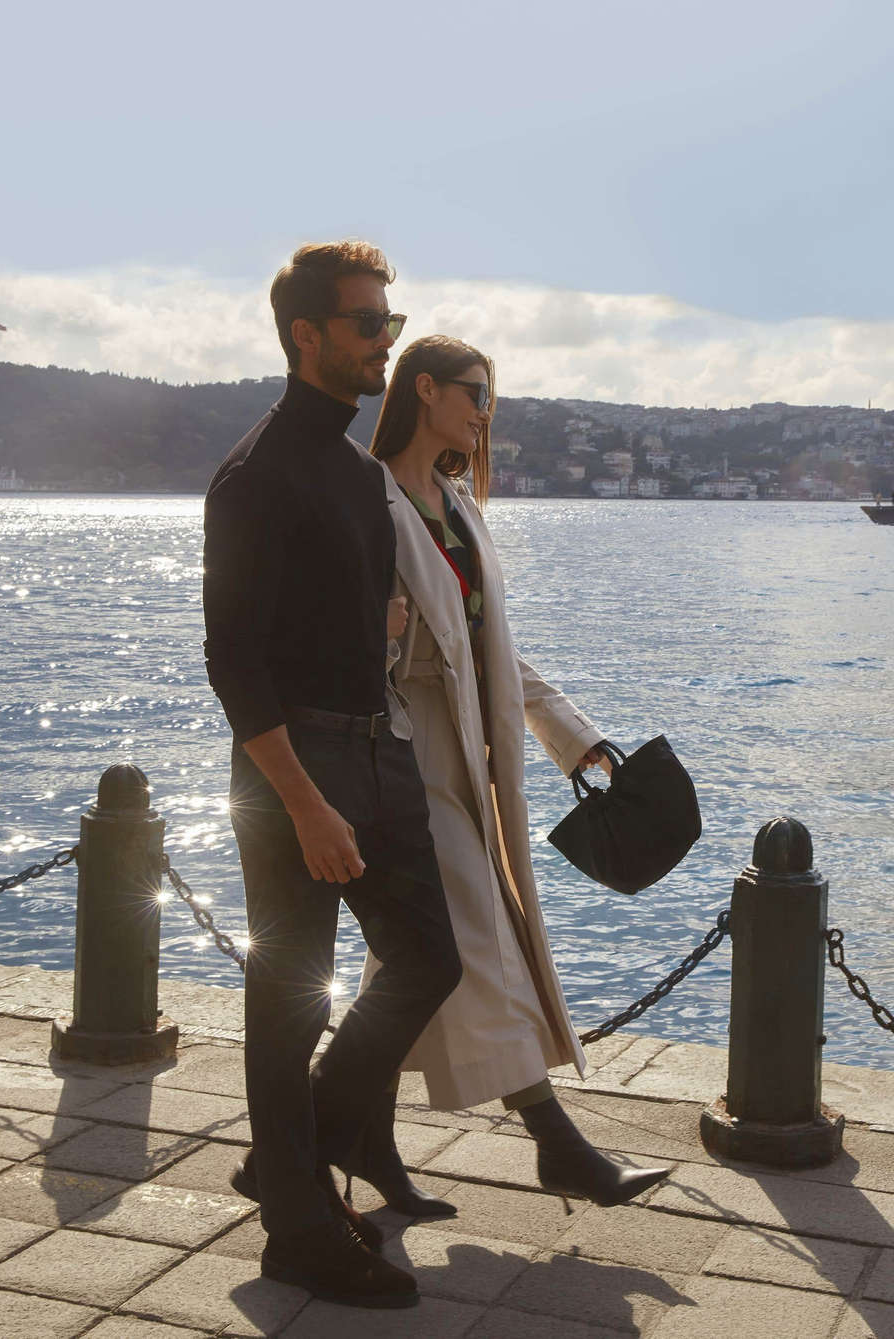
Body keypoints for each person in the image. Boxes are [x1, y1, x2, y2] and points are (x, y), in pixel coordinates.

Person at [350, 334, 670, 1214]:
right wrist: (385, 634)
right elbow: (347, 651)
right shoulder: (370, 503)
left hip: (470, 766)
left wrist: (577, 738)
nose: (486, 413)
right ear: (426, 391)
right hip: (408, 767)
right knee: (472, 947)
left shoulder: (456, 506)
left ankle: (337, 1140)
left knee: (408, 963)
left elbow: (500, 654)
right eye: (477, 394)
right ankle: (555, 1142)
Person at [201, 242, 462, 1310]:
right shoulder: (254, 475)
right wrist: (303, 802)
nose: (385, 344)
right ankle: (296, 1229)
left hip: (376, 744)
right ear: (306, 335)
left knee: (428, 960)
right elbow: (234, 658)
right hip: (292, 765)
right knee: (288, 993)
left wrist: (385, 634)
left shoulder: (360, 475)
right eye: (367, 326)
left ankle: (295, 1146)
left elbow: (356, 618)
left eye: (390, 326)